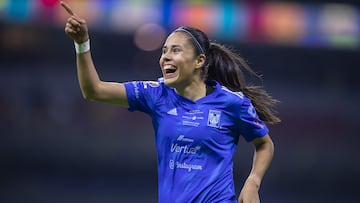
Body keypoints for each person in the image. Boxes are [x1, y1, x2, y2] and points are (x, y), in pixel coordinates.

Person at [60, 1, 280, 202]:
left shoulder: (232, 103)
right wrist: (82, 44)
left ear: (199, 61)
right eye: (164, 51)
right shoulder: (156, 94)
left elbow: (264, 144)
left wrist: (253, 181)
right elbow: (94, 91)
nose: (165, 57)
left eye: (175, 50)